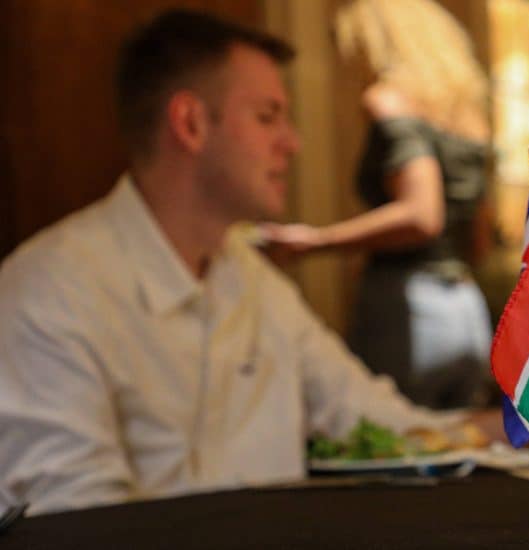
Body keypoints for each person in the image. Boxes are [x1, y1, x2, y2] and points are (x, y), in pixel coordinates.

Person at [0, 9, 490, 516]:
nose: (292, 142)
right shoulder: (46, 294)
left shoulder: (254, 281)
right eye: (267, 116)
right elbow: (77, 528)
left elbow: (382, 420)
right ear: (190, 123)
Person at [262, 0, 493, 410]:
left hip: (407, 305)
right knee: (461, 453)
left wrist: (316, 242)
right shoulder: (469, 117)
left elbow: (423, 215)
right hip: (466, 307)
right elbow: (479, 237)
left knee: (396, 443)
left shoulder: (388, 101)